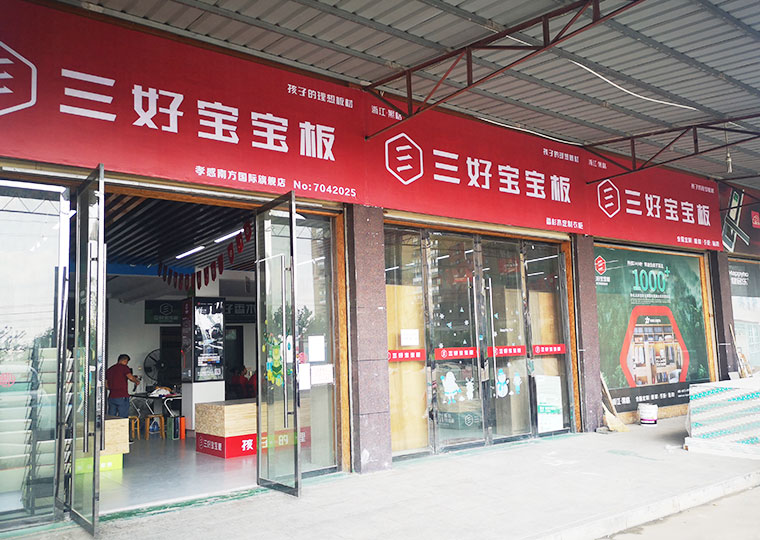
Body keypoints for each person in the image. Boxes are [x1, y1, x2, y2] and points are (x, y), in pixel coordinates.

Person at [105, 354, 140, 418]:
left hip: (111, 397)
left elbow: (106, 385)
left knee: (111, 417)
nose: (127, 363)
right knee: (122, 418)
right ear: (124, 360)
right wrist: (136, 381)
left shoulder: (109, 369)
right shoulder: (124, 368)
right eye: (127, 362)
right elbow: (130, 377)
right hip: (122, 396)